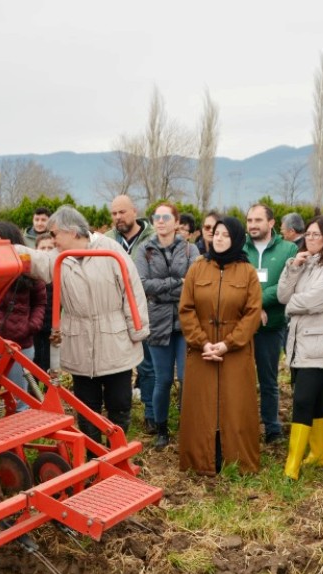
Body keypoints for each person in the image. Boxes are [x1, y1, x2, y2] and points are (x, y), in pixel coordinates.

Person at [20, 205, 150, 443]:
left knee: (119, 402)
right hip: (79, 340)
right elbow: (36, 260)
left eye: (55, 234)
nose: (53, 240)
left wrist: (137, 330)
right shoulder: (59, 259)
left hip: (114, 339)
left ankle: (116, 451)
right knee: (86, 405)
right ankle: (93, 454)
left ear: (72, 231)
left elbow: (132, 290)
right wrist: (0, 250)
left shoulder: (110, 250)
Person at [178, 217, 263, 474]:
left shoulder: (247, 272)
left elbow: (252, 313)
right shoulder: (197, 268)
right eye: (216, 233)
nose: (219, 238)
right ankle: (200, 460)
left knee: (236, 404)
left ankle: (236, 461)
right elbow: (186, 308)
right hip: (201, 351)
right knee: (200, 405)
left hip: (235, 351)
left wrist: (228, 344)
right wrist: (203, 343)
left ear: (236, 238)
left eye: (226, 234)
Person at [278, 216, 323, 479]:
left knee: (303, 401)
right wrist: (294, 267)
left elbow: (315, 301)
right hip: (300, 343)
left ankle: (292, 464)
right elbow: (284, 295)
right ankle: (320, 455)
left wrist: (292, 304)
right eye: (308, 234)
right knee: (317, 401)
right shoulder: (306, 263)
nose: (310, 239)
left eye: (316, 235)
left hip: (322, 344)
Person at [135, 202, 198, 450]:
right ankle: (161, 429)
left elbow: (194, 282)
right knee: (162, 379)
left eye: (165, 217)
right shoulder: (145, 250)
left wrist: (163, 287)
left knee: (185, 377)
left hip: (185, 320)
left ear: (175, 221)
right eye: (156, 217)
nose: (160, 221)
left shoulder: (189, 249)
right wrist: (175, 283)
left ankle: (188, 425)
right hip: (158, 321)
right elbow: (142, 284)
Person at [243, 203, 298, 444]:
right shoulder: (240, 247)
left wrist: (259, 304)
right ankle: (243, 424)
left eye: (258, 220)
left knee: (268, 379)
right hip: (242, 326)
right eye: (249, 220)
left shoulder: (288, 249)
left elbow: (286, 284)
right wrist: (253, 310)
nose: (253, 225)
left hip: (271, 325)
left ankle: (272, 427)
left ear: (271, 223)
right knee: (241, 379)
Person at [105, 195, 155, 429]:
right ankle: (116, 410)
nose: (118, 218)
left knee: (147, 364)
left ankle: (149, 410)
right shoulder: (105, 241)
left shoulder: (152, 238)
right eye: (114, 213)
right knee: (119, 365)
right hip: (114, 312)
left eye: (122, 212)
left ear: (134, 212)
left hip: (145, 309)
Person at [0, 221, 47, 401]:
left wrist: (31, 326)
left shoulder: (28, 269)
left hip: (20, 343)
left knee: (20, 398)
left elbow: (40, 302)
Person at [31, 232, 57, 371]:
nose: (47, 251)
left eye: (50, 247)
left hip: (53, 328)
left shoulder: (60, 272)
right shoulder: (31, 274)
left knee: (49, 363)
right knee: (35, 361)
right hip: (34, 327)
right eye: (43, 248)